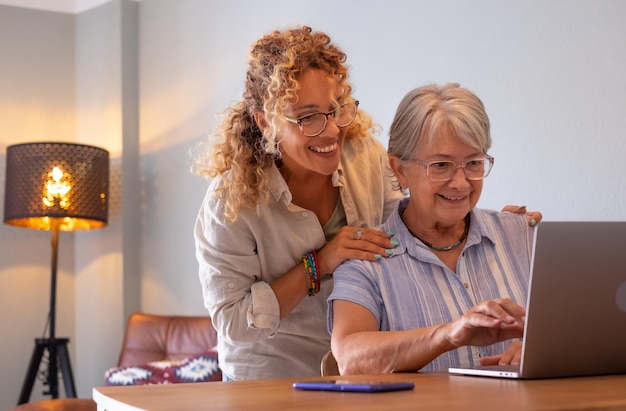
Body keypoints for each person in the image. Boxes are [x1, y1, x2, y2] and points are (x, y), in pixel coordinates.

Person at [193, 27, 540, 381]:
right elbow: (233, 321)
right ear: (267, 122)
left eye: (336, 110)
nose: (330, 131)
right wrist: (321, 262)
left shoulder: (364, 157)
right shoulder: (231, 202)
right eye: (308, 117)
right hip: (273, 371)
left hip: (362, 366)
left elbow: (414, 216)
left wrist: (490, 226)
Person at [328, 83, 537, 375]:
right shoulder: (364, 261)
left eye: (474, 163)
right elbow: (350, 357)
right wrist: (449, 334)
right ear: (399, 170)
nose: (461, 183)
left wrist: (541, 346)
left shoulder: (524, 236)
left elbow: (586, 324)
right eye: (441, 165)